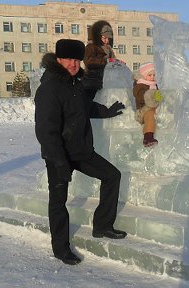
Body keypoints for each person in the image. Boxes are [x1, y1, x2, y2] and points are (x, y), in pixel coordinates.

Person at [34, 39, 127, 266]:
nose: (74, 64)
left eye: (77, 59)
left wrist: (108, 111)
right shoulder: (49, 88)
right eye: (68, 59)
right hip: (58, 155)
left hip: (81, 151)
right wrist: (58, 162)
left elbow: (85, 107)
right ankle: (61, 248)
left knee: (112, 176)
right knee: (58, 201)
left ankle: (102, 226)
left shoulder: (75, 83)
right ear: (58, 60)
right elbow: (46, 131)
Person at [83, 20, 117, 99]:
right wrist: (106, 61)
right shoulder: (91, 46)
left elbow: (113, 59)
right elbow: (88, 61)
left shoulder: (108, 48)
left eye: (108, 38)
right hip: (93, 79)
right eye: (104, 38)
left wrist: (117, 63)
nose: (107, 41)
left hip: (106, 78)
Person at [133, 62, 163, 147]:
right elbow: (140, 97)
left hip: (155, 108)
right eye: (150, 75)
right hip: (144, 110)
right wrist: (152, 95)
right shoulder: (140, 85)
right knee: (150, 116)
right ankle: (148, 137)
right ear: (144, 75)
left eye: (154, 75)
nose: (152, 77)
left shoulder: (155, 86)